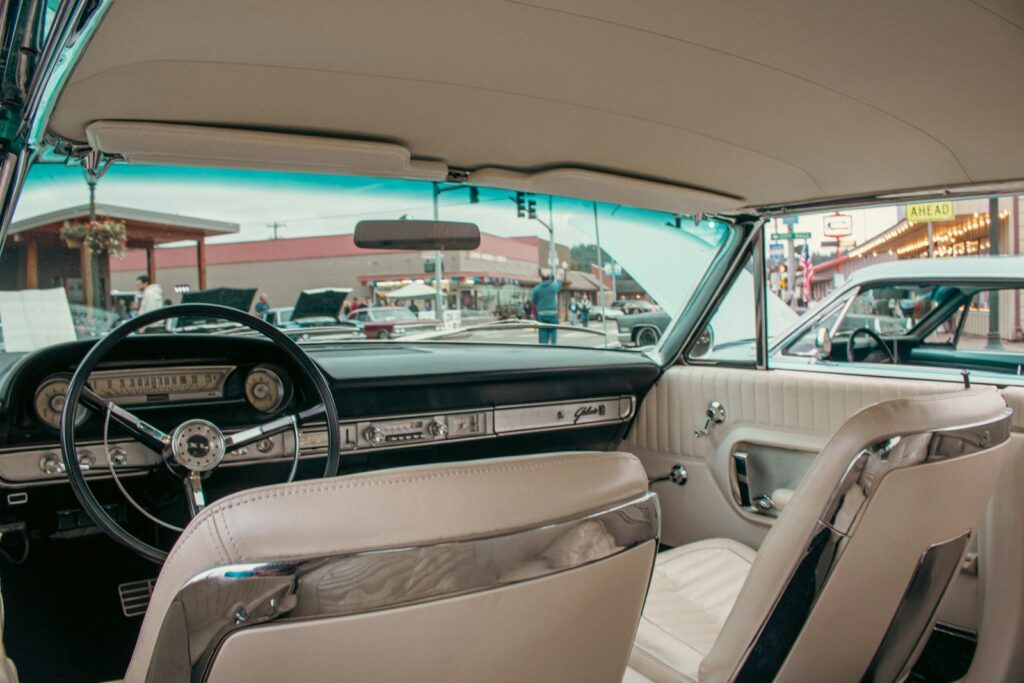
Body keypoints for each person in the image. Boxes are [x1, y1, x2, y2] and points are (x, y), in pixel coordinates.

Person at [531, 268, 563, 345]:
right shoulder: (553, 287)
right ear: (549, 277)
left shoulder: (536, 289)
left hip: (541, 313)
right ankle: (553, 345)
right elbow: (559, 284)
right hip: (553, 313)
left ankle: (544, 346)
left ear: (541, 278)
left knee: (543, 331)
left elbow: (533, 302)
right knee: (553, 330)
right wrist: (558, 279)